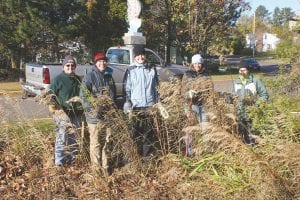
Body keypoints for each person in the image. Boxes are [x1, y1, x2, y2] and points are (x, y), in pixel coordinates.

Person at [80, 52, 116, 169]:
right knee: (95, 143)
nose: (102, 63)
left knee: (107, 140)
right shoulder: (89, 77)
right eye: (99, 61)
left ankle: (105, 166)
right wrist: (95, 106)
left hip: (107, 115)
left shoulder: (109, 77)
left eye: (104, 61)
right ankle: (96, 169)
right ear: (96, 63)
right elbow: (84, 96)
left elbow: (113, 94)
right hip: (94, 117)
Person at [123, 45, 159, 157]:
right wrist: (127, 103)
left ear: (145, 55)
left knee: (148, 133)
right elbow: (126, 89)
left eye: (142, 54)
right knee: (135, 132)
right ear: (134, 56)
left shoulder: (151, 68)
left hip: (149, 106)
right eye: (138, 55)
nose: (140, 57)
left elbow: (157, 87)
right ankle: (135, 157)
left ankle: (146, 158)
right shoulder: (130, 70)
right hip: (135, 107)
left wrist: (158, 102)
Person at [48, 55, 84, 166]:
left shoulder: (78, 79)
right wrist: (54, 109)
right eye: (67, 65)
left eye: (72, 65)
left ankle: (72, 160)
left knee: (74, 138)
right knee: (61, 138)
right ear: (63, 66)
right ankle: (59, 162)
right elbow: (50, 96)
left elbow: (83, 95)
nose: (70, 67)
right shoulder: (57, 79)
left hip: (76, 114)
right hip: (62, 114)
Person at [233, 62, 268, 143]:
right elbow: (233, 96)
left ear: (248, 70)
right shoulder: (235, 82)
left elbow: (264, 95)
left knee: (253, 135)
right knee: (242, 136)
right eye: (240, 70)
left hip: (253, 114)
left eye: (244, 70)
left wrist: (257, 105)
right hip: (240, 114)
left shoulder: (255, 81)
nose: (242, 72)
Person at [182, 54, 210, 126]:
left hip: (202, 105)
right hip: (191, 105)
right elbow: (182, 91)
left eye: (199, 63)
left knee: (204, 126)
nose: (197, 65)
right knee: (191, 127)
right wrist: (189, 93)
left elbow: (210, 90)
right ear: (192, 63)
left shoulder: (206, 74)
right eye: (195, 63)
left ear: (202, 64)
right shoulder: (187, 74)